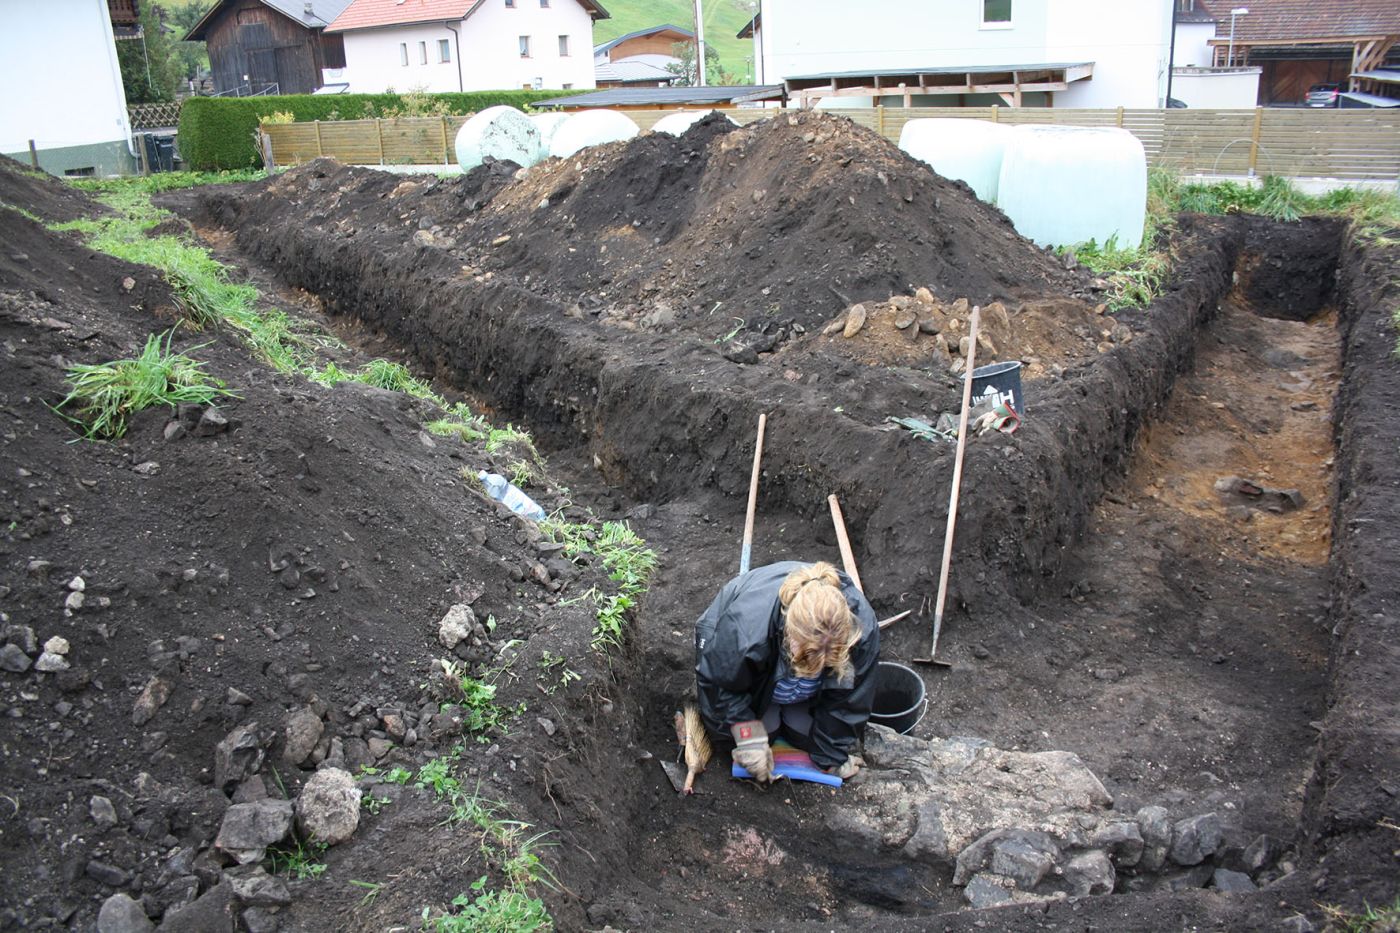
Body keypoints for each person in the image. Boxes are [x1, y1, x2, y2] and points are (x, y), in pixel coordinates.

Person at [694, 560, 879, 782]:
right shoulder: (745, 631)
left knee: (806, 739)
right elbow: (721, 686)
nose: (813, 668)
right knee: (757, 742)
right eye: (807, 657)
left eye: (826, 661)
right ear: (789, 632)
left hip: (791, 685)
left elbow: (851, 699)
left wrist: (832, 754)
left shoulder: (862, 631)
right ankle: (770, 710)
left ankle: (792, 707)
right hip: (746, 673)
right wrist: (749, 740)